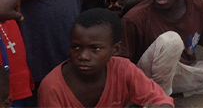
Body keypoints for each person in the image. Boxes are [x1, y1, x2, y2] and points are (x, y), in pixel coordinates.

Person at [37, 8, 174, 107]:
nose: (83, 56)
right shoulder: (52, 87)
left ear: (116, 49)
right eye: (76, 47)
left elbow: (160, 99)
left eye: (95, 49)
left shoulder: (123, 69)